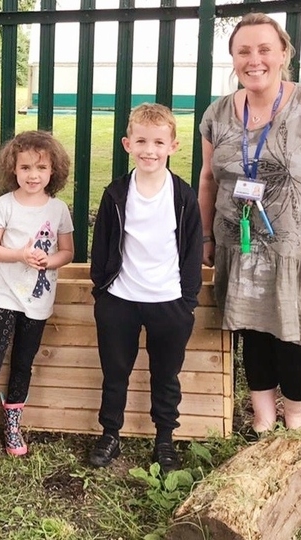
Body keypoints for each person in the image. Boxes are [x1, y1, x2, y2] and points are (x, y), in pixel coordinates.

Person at [198, 13, 301, 437]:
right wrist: (207, 236)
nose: (255, 59)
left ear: (283, 53)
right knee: (254, 333)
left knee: (298, 335)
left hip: (296, 251)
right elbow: (208, 179)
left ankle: (296, 420)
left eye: (265, 48)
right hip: (240, 246)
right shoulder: (218, 114)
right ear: (233, 58)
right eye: (244, 50)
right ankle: (264, 420)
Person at [88, 103, 203, 473]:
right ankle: (110, 434)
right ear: (127, 144)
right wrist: (102, 291)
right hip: (120, 299)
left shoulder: (182, 197)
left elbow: (191, 249)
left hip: (168, 302)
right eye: (141, 141)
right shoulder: (117, 193)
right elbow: (102, 244)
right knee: (115, 371)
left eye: (158, 142)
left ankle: (165, 439)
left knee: (166, 374)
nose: (149, 150)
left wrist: (186, 300)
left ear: (173, 146)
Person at [0, 131, 74, 458]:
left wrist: (49, 261)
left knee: (23, 362)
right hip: (4, 295)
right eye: (25, 167)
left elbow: (67, 252)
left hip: (39, 299)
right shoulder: (2, 205)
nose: (33, 175)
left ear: (53, 171)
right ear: (13, 169)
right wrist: (20, 254)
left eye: (41, 168)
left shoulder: (58, 209)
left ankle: (13, 423)